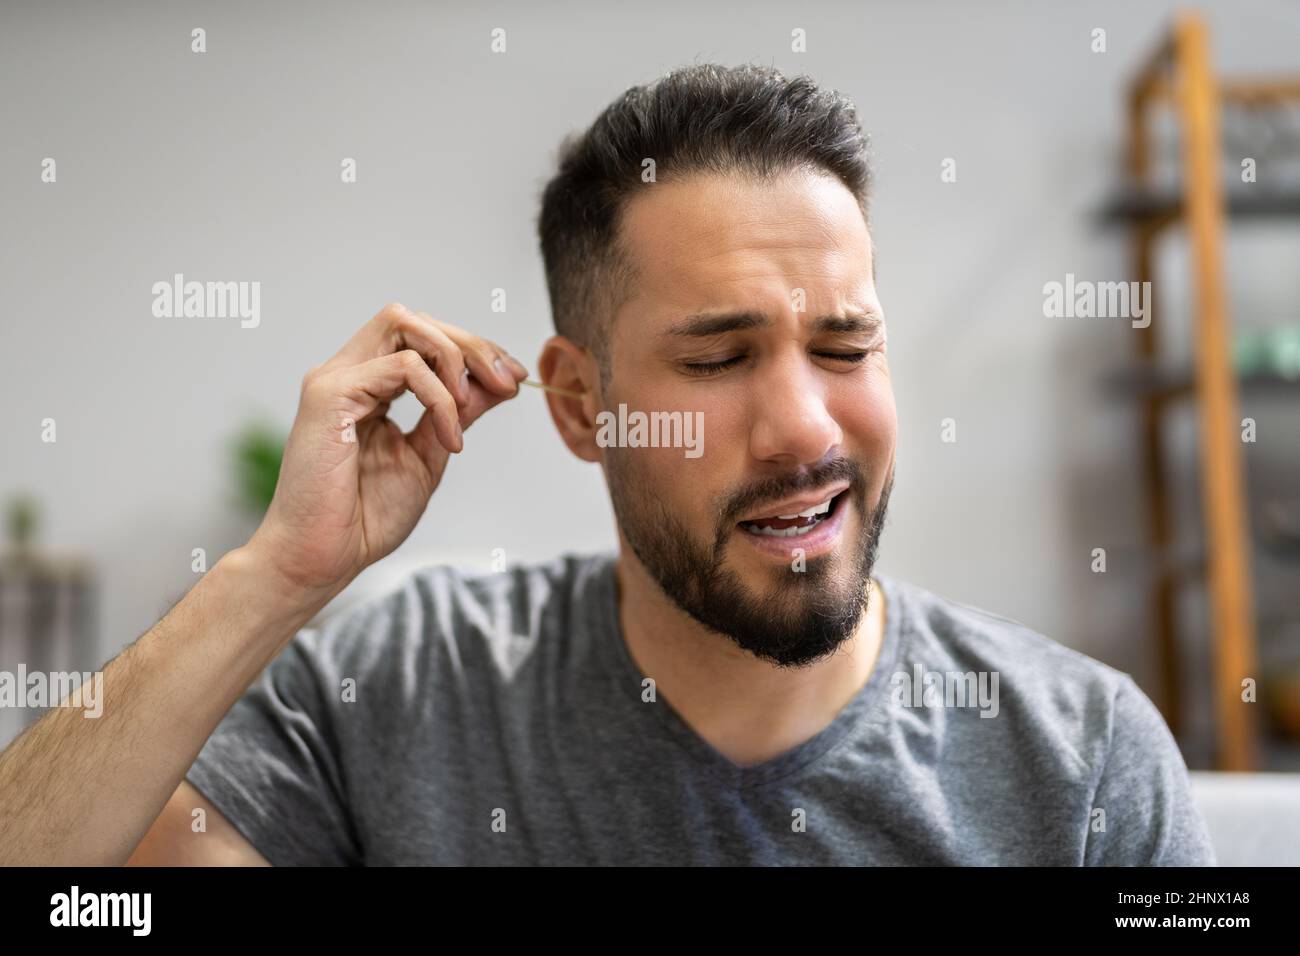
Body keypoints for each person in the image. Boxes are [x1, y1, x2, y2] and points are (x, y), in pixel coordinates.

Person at [0, 63, 1215, 866]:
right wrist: (271, 575)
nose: (804, 429)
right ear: (580, 404)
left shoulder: (1081, 758)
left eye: (846, 344)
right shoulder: (404, 686)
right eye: (717, 358)